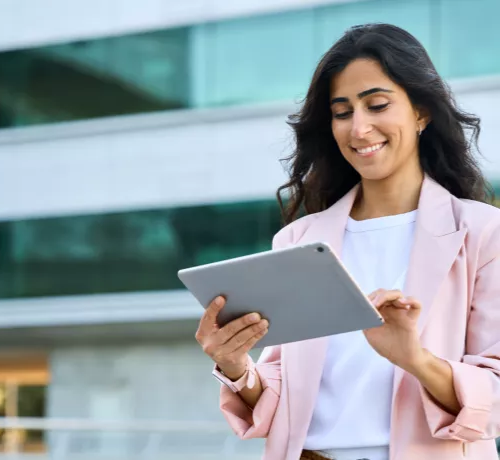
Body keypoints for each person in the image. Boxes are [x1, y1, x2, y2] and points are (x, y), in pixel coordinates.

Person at [195, 23, 500, 460]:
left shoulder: (484, 233)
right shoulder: (299, 239)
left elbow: (495, 396)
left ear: (421, 113)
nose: (359, 129)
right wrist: (235, 365)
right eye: (342, 112)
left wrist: (415, 358)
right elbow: (281, 390)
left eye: (377, 105)